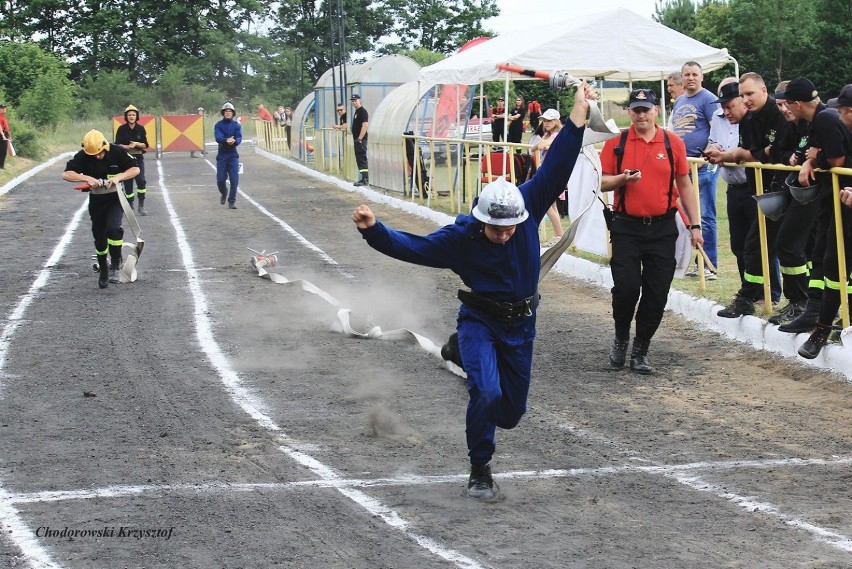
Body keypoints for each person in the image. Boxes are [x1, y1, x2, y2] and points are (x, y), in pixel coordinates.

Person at [352, 81, 596, 501]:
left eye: (510, 229)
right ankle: (479, 469)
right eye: (495, 229)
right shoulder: (460, 237)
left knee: (511, 412)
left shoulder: (527, 202)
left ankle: (459, 352)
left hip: (522, 324)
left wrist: (577, 116)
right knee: (485, 391)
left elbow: (558, 165)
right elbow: (415, 247)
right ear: (481, 219)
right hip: (481, 319)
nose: (504, 236)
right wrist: (374, 231)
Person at [600, 88, 704, 374]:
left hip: (662, 228)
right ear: (629, 112)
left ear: (656, 111)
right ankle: (621, 337)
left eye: (646, 109)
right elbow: (601, 182)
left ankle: (641, 348)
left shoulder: (672, 142)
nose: (641, 114)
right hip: (626, 227)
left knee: (657, 293)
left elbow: (684, 184)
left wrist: (695, 225)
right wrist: (622, 179)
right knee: (626, 288)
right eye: (636, 109)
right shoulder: (617, 142)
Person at [774, 79, 852, 355]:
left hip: (843, 200)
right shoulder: (816, 122)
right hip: (832, 200)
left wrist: (813, 160)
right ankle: (817, 315)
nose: (840, 117)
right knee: (825, 258)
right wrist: (809, 159)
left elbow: (838, 161)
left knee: (834, 262)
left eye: (843, 112)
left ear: (797, 103)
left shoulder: (826, 119)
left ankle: (823, 325)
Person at [709, 72, 795, 319]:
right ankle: (750, 297)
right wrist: (758, 152)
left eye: (748, 94)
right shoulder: (748, 120)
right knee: (753, 246)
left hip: (790, 190)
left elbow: (775, 151)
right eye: (743, 95)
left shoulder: (778, 113)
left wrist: (756, 153)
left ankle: (797, 301)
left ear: (764, 91)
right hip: (764, 189)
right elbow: (755, 153)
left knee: (791, 249)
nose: (745, 100)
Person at [62, 130, 140, 288]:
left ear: (105, 146)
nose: (97, 157)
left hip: (115, 197)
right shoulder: (84, 155)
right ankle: (103, 268)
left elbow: (135, 169)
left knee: (114, 228)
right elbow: (67, 174)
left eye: (99, 153)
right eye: (94, 155)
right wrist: (86, 178)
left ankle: (115, 265)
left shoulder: (117, 151)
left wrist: (118, 177)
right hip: (97, 200)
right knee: (99, 237)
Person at [670, 62, 721, 277]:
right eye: (687, 74)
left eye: (695, 74)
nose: (691, 78)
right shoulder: (680, 100)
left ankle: (710, 265)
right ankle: (697, 262)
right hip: (684, 166)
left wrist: (706, 153)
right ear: (682, 78)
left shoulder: (708, 99)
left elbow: (718, 127)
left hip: (703, 165)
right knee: (691, 215)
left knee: (705, 214)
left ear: (702, 77)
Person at [530, 108, 565, 246]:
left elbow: (540, 146)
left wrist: (543, 143)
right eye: (544, 120)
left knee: (545, 203)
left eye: (549, 120)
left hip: (553, 173)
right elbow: (533, 148)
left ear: (556, 121)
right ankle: (558, 235)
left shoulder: (557, 135)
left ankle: (559, 235)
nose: (545, 123)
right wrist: (543, 143)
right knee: (551, 204)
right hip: (548, 172)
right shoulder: (548, 135)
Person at [114, 104, 150, 215]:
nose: (131, 117)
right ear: (126, 116)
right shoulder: (121, 129)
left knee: (141, 181)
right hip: (125, 159)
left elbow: (145, 145)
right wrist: (126, 147)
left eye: (133, 115)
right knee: (128, 183)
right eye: (129, 115)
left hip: (138, 158)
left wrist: (136, 144)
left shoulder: (141, 129)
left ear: (136, 116)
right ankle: (130, 205)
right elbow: (117, 145)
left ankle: (141, 206)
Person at [215, 102, 242, 209]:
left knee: (234, 179)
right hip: (222, 155)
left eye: (230, 111)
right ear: (223, 113)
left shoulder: (236, 126)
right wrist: (227, 140)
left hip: (233, 155)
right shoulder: (218, 125)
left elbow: (239, 138)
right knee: (220, 180)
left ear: (233, 113)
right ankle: (224, 192)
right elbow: (218, 138)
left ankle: (232, 201)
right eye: (226, 111)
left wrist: (234, 141)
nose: (228, 113)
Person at [350, 94, 369, 186]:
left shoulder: (362, 111)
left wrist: (360, 138)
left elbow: (365, 125)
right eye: (352, 101)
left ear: (359, 100)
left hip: (361, 140)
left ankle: (366, 179)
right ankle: (363, 177)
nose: (354, 102)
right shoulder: (357, 111)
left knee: (362, 158)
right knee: (359, 158)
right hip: (357, 139)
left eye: (355, 100)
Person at [0, 103, 10, 169]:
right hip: (1, 134)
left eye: (5, 108)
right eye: (3, 108)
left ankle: (1, 165)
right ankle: (1, 165)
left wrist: (9, 135)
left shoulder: (3, 116)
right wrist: (3, 135)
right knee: (2, 150)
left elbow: (6, 126)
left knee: (4, 150)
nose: (4, 109)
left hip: (5, 133)